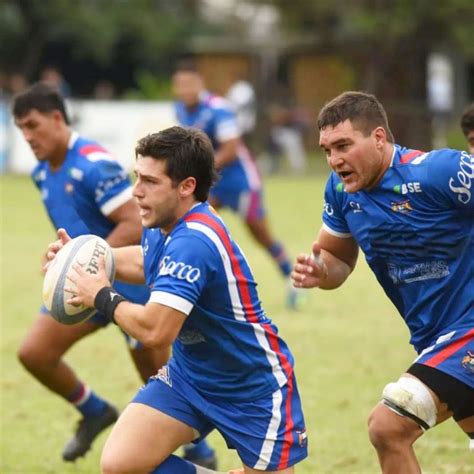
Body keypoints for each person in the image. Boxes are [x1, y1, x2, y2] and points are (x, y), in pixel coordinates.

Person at [49, 126, 308, 474]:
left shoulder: (194, 241)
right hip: (190, 377)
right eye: (136, 177)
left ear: (186, 186)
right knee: (121, 465)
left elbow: (155, 331)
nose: (136, 192)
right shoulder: (162, 223)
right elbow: (146, 261)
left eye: (150, 182)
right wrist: (83, 257)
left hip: (250, 386)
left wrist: (101, 296)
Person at [11, 83, 216, 468]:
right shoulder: (42, 172)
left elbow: (133, 224)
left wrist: (85, 259)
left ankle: (200, 451)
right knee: (35, 353)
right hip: (84, 286)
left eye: (33, 125)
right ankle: (94, 410)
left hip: (131, 287)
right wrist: (69, 257)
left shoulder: (93, 164)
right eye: (20, 128)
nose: (27, 136)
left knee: (159, 376)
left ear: (57, 119)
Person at [291, 91, 474, 473]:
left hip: (467, 332)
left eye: (343, 145)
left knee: (388, 426)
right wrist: (320, 272)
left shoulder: (439, 172)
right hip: (435, 340)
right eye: (326, 149)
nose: (334, 160)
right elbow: (338, 258)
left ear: (377, 137)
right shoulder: (341, 193)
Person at [172, 61, 302, 309]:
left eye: (189, 84)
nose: (184, 90)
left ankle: (292, 278)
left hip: (239, 182)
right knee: (188, 226)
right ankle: (186, 286)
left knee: (260, 234)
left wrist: (196, 170)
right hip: (211, 184)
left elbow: (230, 150)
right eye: (180, 85)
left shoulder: (218, 109)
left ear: (200, 84)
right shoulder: (180, 109)